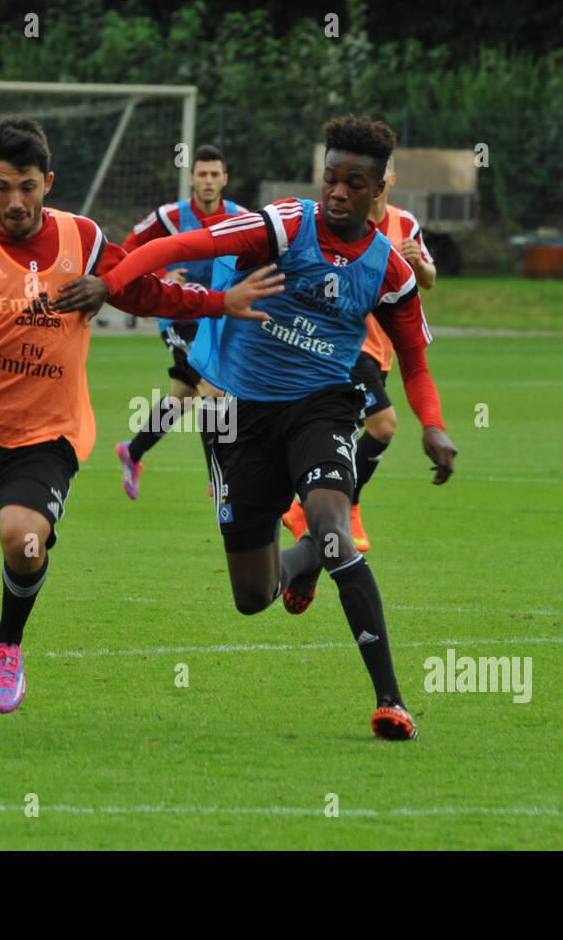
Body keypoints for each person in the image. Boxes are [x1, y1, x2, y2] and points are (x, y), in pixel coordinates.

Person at [0, 117, 280, 728]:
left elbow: (144, 290)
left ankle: (7, 644)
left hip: (47, 435)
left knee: (24, 537)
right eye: (2, 188)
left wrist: (217, 302)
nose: (15, 202)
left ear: (47, 182)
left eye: (27, 186)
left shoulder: (84, 239)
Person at [56, 115, 457, 741]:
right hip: (237, 413)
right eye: (331, 178)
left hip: (321, 405)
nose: (338, 192)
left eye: (355, 183)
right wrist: (109, 283)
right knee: (253, 594)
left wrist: (431, 425)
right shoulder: (284, 224)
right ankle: (300, 565)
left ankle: (390, 700)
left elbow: (414, 359)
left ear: (380, 190)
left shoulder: (390, 269)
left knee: (332, 524)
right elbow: (182, 249)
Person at [282, 158, 437, 550]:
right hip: (349, 347)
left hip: (383, 348)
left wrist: (417, 262)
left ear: (391, 179)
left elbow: (430, 281)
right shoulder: (341, 222)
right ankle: (343, 506)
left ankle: (311, 510)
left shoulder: (406, 223)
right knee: (383, 427)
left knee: (348, 436)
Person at [113, 144, 246, 499]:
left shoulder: (239, 215)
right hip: (176, 315)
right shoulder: (169, 217)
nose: (208, 180)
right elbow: (127, 250)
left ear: (224, 179)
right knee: (214, 389)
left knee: (184, 397)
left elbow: (260, 257)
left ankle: (133, 451)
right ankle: (218, 478)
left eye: (214, 174)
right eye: (201, 174)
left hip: (215, 316)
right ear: (191, 179)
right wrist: (160, 273)